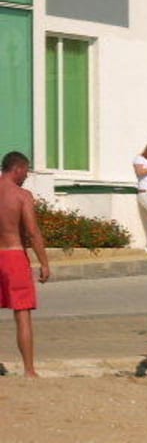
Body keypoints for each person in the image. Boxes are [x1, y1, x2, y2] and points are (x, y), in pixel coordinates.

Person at [0, 151, 51, 378]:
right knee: (22, 314)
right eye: (26, 171)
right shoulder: (22, 195)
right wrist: (44, 263)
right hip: (14, 256)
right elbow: (32, 232)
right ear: (18, 168)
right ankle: (29, 370)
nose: (27, 176)